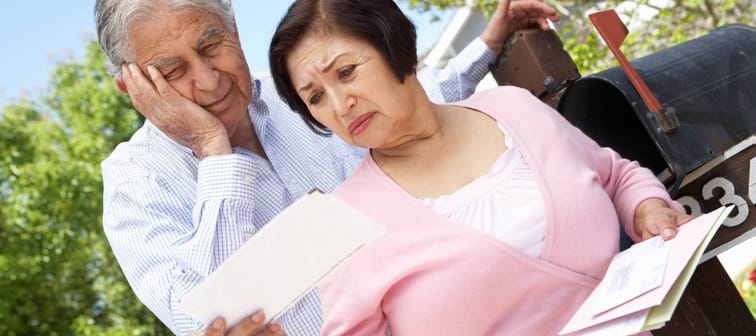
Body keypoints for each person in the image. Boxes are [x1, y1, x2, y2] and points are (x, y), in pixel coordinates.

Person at [94, 0, 560, 334]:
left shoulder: (301, 91)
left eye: (212, 45)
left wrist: (490, 40)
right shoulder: (135, 183)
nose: (208, 79)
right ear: (131, 89)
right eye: (173, 71)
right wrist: (211, 149)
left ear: (234, 32)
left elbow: (414, 101)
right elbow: (205, 324)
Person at [268, 0, 693, 334]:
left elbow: (615, 174)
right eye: (315, 98)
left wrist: (646, 209)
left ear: (397, 50)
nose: (341, 106)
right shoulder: (345, 223)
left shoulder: (513, 108)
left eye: (346, 72)